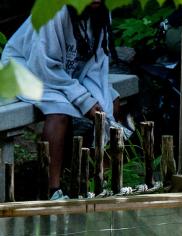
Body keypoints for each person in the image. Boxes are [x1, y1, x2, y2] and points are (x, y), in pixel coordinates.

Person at [1, 1, 122, 200]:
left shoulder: (102, 14)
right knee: (59, 112)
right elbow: (43, 65)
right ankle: (52, 190)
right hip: (26, 68)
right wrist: (83, 99)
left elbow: (96, 66)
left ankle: (94, 179)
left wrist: (97, 100)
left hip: (66, 72)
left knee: (111, 102)